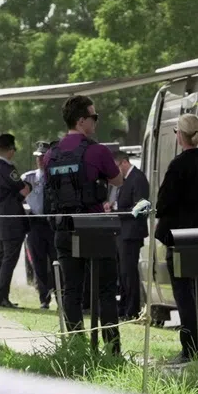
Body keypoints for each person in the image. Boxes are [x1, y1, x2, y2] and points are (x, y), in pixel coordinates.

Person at [43, 96, 123, 352]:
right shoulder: (97, 150)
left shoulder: (50, 155)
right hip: (94, 227)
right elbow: (118, 180)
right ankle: (111, 349)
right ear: (81, 120)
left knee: (71, 290)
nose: (96, 121)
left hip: (63, 227)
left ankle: (76, 347)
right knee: (106, 291)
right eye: (94, 117)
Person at [154, 113, 198, 364]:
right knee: (196, 294)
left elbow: (164, 202)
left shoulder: (178, 165)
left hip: (179, 239)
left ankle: (189, 348)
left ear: (180, 135)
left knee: (183, 296)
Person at [0, 133, 31, 308]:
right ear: (10, 150)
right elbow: (24, 190)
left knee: (2, 255)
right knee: (9, 257)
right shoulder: (7, 169)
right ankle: (2, 295)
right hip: (10, 217)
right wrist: (29, 186)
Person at [113, 147, 150, 321]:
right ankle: (124, 306)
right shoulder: (126, 179)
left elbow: (141, 206)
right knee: (123, 272)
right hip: (123, 232)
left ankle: (132, 309)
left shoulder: (138, 178)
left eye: (117, 166)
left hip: (132, 232)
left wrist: (118, 211)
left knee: (129, 272)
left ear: (125, 162)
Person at [22, 141, 57, 309]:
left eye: (43, 157)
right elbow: (18, 199)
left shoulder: (57, 177)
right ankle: (44, 298)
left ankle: (60, 295)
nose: (40, 160)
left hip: (53, 224)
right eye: (37, 157)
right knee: (38, 262)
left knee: (57, 261)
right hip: (35, 223)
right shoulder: (27, 178)